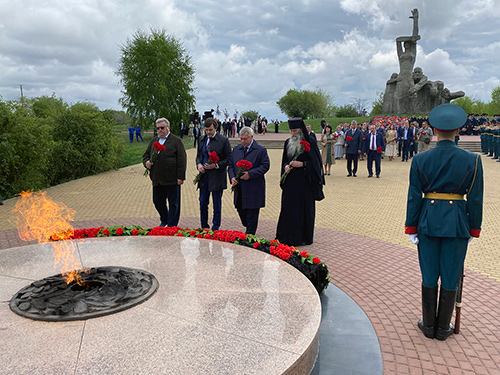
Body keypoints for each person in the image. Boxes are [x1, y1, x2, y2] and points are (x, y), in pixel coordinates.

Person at [405, 103, 483, 341]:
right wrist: (474, 229)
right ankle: (443, 328)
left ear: (434, 130)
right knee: (450, 275)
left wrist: (411, 226)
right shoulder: (474, 160)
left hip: (427, 220)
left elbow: (413, 196)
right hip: (457, 222)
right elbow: (476, 199)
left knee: (429, 274)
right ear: (458, 130)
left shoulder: (420, 160)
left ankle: (428, 325)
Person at [276, 118, 324, 246]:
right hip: (290, 182)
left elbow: (316, 165)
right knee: (288, 209)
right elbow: (285, 160)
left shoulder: (310, 142)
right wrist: (286, 166)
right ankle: (286, 236)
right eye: (291, 131)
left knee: (303, 211)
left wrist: (302, 164)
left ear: (301, 130)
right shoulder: (288, 142)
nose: (293, 134)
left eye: (295, 131)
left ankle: (302, 237)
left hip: (304, 183)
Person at [143, 118, 186, 227]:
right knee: (157, 201)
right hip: (157, 178)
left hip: (172, 178)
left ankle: (172, 225)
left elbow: (182, 160)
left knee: (173, 204)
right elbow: (146, 155)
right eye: (157, 128)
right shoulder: (153, 141)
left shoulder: (176, 141)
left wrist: (180, 177)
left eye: (162, 128)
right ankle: (165, 219)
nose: (160, 130)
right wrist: (146, 163)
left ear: (168, 127)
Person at [228, 126, 270, 235]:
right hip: (239, 187)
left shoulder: (261, 150)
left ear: (251, 137)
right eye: (241, 139)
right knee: (240, 209)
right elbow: (231, 166)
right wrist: (232, 177)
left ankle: (249, 236)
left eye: (245, 139)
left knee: (252, 212)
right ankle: (248, 227)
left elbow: (265, 166)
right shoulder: (236, 149)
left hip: (254, 187)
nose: (243, 141)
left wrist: (250, 174)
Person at [195, 117, 232, 231]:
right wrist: (199, 165)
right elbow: (198, 157)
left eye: (210, 130)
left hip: (217, 177)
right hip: (204, 177)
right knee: (203, 202)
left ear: (215, 128)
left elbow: (229, 158)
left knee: (217, 204)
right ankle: (204, 226)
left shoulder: (223, 140)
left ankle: (216, 226)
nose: (208, 132)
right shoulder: (202, 139)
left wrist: (216, 165)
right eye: (206, 130)